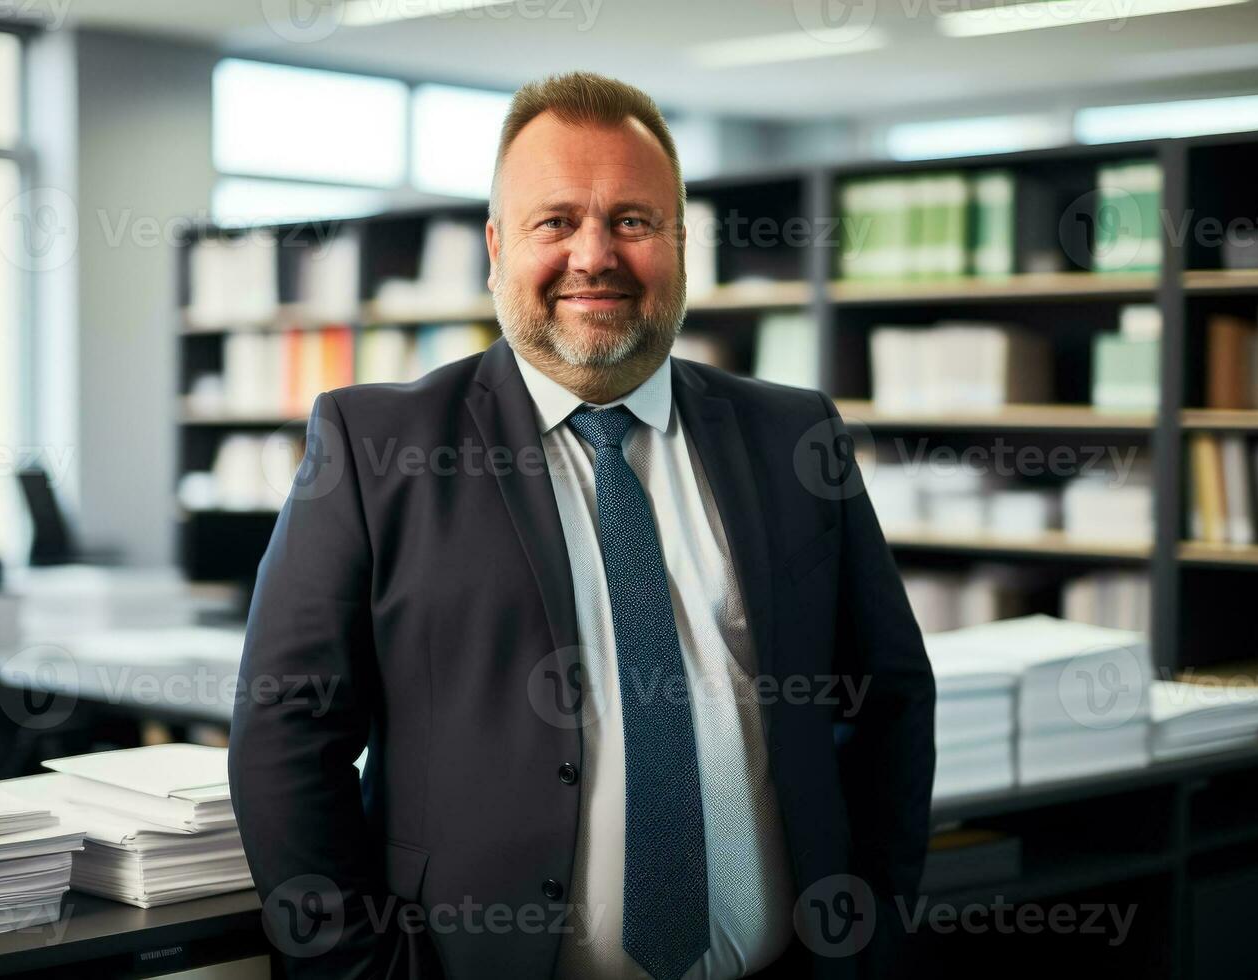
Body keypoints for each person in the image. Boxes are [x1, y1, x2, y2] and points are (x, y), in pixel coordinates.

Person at [228, 70, 935, 980]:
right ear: (496, 247)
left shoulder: (794, 436)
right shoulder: (374, 447)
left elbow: (887, 696)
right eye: (555, 221)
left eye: (633, 221)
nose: (595, 255)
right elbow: (287, 734)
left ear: (681, 243)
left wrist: (869, 929)